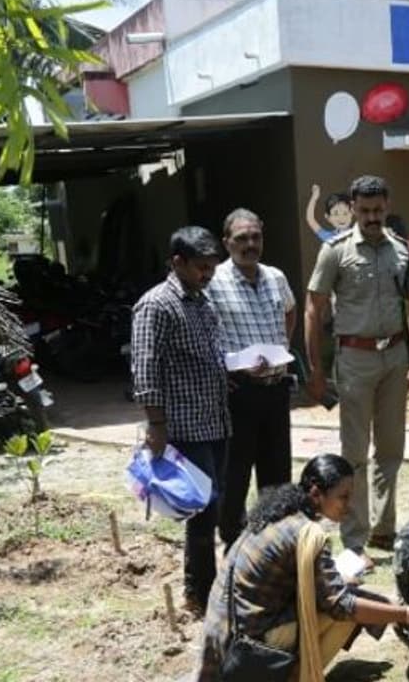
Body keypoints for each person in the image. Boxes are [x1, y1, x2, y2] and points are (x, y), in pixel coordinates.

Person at [194, 454, 409, 682]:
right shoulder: (306, 533)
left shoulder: (278, 515)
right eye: (343, 497)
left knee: (351, 588)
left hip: (222, 634)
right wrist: (406, 614)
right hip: (248, 645)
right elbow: (342, 606)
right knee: (349, 612)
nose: (348, 506)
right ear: (316, 494)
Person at [304, 175, 409, 553]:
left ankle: (384, 530)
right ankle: (354, 540)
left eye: (378, 210)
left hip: (394, 357)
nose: (372, 217)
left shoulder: (402, 251)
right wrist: (316, 370)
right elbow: (314, 308)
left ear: (387, 206)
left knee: (391, 450)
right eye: (365, 210)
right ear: (353, 209)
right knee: (354, 453)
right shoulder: (335, 251)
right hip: (354, 359)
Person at [131, 226, 229, 613]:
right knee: (201, 509)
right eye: (201, 267)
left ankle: (206, 586)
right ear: (178, 263)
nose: (208, 274)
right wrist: (156, 425)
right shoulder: (156, 305)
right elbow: (145, 367)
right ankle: (198, 593)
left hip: (215, 420)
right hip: (184, 426)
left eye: (212, 267)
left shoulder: (201, 301)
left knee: (213, 507)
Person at [206, 208, 297, 550]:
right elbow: (203, 330)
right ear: (227, 242)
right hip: (236, 392)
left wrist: (282, 346)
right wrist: (224, 369)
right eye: (241, 238)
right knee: (235, 473)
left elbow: (290, 310)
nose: (250, 244)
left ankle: (272, 543)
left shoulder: (275, 276)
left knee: (277, 474)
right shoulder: (213, 281)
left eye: (255, 237)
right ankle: (232, 542)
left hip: (275, 390)